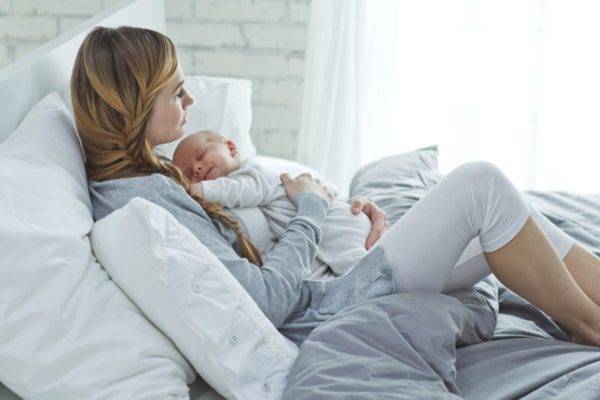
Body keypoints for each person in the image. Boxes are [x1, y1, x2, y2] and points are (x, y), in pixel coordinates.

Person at [74, 26, 600, 348]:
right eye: (177, 94)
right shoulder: (143, 202)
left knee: (507, 212)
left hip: (338, 275)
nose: (189, 105)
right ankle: (590, 328)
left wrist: (342, 217)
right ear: (134, 106)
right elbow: (268, 301)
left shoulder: (155, 171)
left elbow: (259, 241)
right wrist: (311, 210)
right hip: (334, 309)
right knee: (480, 184)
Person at [172, 130, 371, 276]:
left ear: (231, 149)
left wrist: (199, 190)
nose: (197, 168)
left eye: (202, 156)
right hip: (324, 229)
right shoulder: (228, 203)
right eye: (189, 175)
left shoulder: (252, 174)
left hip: (335, 220)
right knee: (347, 270)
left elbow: (243, 190)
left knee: (359, 269)